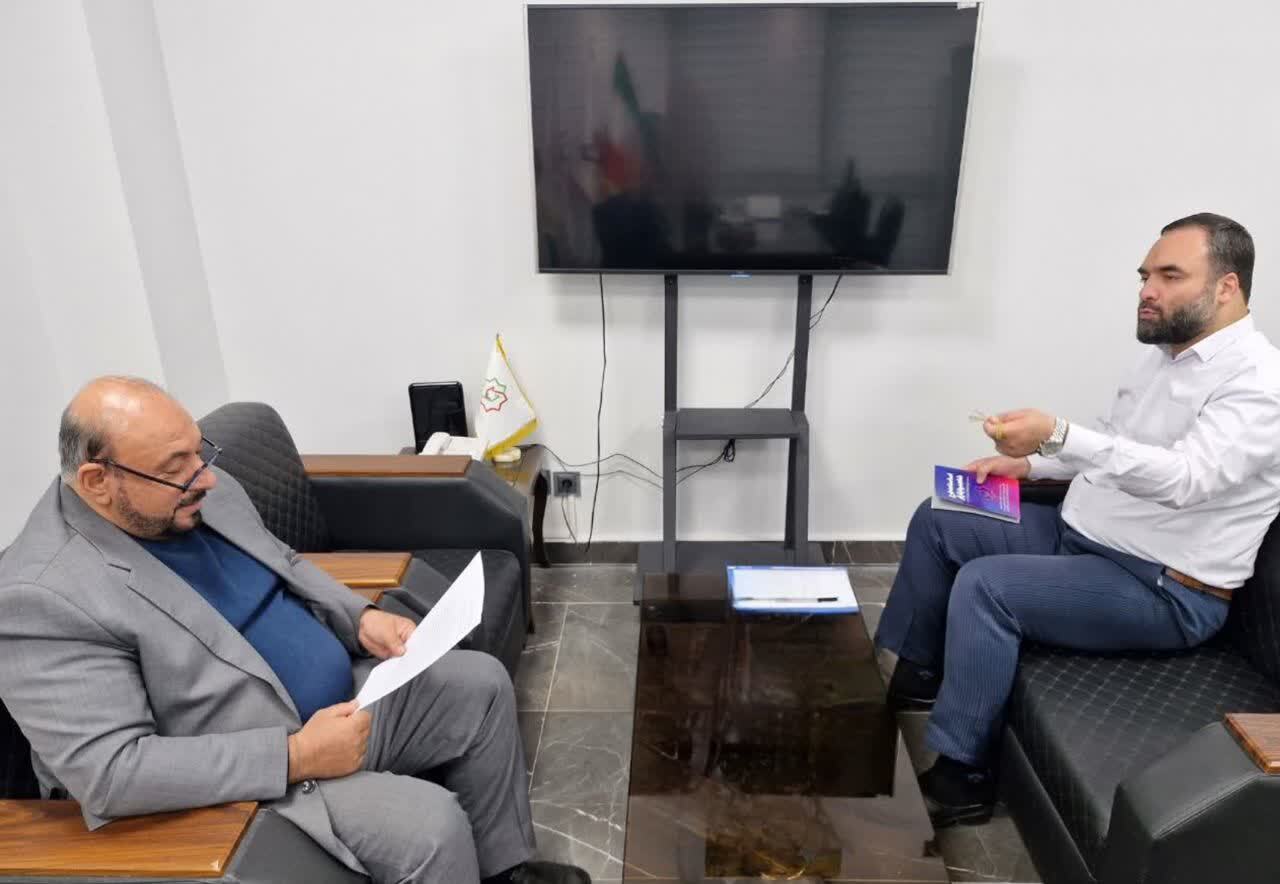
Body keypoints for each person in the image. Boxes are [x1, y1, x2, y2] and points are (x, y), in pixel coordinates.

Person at [0, 377, 589, 884]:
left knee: (479, 686)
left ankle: (502, 871)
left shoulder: (195, 492)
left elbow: (283, 561)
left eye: (198, 452)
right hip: (257, 768)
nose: (205, 477)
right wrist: (295, 757)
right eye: (176, 468)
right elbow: (111, 773)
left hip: (340, 705)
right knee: (430, 828)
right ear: (98, 481)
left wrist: (360, 618)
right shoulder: (41, 597)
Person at [875, 213, 1280, 827]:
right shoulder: (1162, 359)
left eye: (1170, 276)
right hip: (1081, 536)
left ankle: (963, 777)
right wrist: (1031, 466)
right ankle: (918, 678)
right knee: (942, 514)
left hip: (1162, 586)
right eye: (1145, 276)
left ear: (1227, 287)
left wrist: (1059, 434)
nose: (1148, 290)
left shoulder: (1260, 383)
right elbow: (1114, 447)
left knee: (987, 586)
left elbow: (1187, 479)